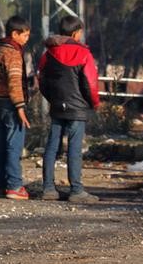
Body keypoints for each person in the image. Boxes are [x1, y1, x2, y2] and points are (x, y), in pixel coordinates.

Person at [39, 15, 101, 203]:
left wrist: (52, 99)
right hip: (78, 108)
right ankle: (76, 190)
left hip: (57, 106)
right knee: (74, 149)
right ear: (76, 33)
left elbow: (41, 80)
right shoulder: (84, 54)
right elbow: (90, 83)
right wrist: (94, 103)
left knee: (51, 147)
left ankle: (48, 189)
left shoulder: (48, 54)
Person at [0, 15, 31, 200]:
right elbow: (14, 82)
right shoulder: (13, 53)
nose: (26, 39)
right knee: (14, 144)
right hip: (11, 103)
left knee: (0, 144)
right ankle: (14, 185)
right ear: (15, 34)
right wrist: (20, 107)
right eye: (25, 35)